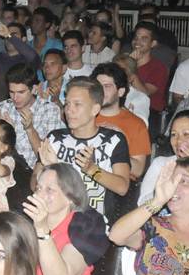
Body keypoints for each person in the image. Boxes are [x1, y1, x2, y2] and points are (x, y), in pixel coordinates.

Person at [38, 77, 130, 220]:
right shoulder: (55, 138)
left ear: (95, 109)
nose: (69, 110)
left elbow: (122, 187)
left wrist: (92, 169)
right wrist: (51, 168)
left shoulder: (113, 140)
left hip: (94, 224)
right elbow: (33, 184)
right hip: (55, 219)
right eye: (67, 104)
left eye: (77, 104)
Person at [0, 63, 64, 168]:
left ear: (34, 89)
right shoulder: (2, 108)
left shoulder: (50, 110)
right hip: (6, 170)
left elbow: (46, 159)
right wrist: (7, 134)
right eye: (11, 92)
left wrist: (30, 129)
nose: (15, 98)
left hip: (35, 172)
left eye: (21, 92)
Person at [92, 63, 151, 181]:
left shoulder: (136, 124)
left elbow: (138, 170)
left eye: (107, 86)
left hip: (116, 184)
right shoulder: (84, 116)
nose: (101, 91)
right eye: (98, 85)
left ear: (121, 92)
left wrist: (118, 141)